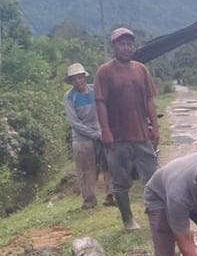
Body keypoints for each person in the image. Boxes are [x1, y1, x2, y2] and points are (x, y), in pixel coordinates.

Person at [94, 27, 161, 230]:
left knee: (152, 177)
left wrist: (154, 126)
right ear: (114, 47)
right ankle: (128, 219)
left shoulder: (141, 69)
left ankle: (154, 213)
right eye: (121, 44)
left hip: (141, 134)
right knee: (121, 181)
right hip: (117, 137)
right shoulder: (104, 72)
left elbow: (149, 100)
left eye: (129, 44)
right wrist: (105, 130)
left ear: (134, 46)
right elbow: (100, 102)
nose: (125, 48)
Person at [63, 62, 101, 208]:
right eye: (75, 79)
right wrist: (95, 134)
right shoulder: (69, 97)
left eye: (80, 77)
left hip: (100, 132)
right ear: (71, 81)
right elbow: (75, 123)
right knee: (85, 170)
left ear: (84, 77)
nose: (78, 81)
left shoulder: (94, 90)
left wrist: (102, 131)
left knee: (108, 166)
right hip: (82, 138)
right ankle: (89, 201)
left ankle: (111, 196)